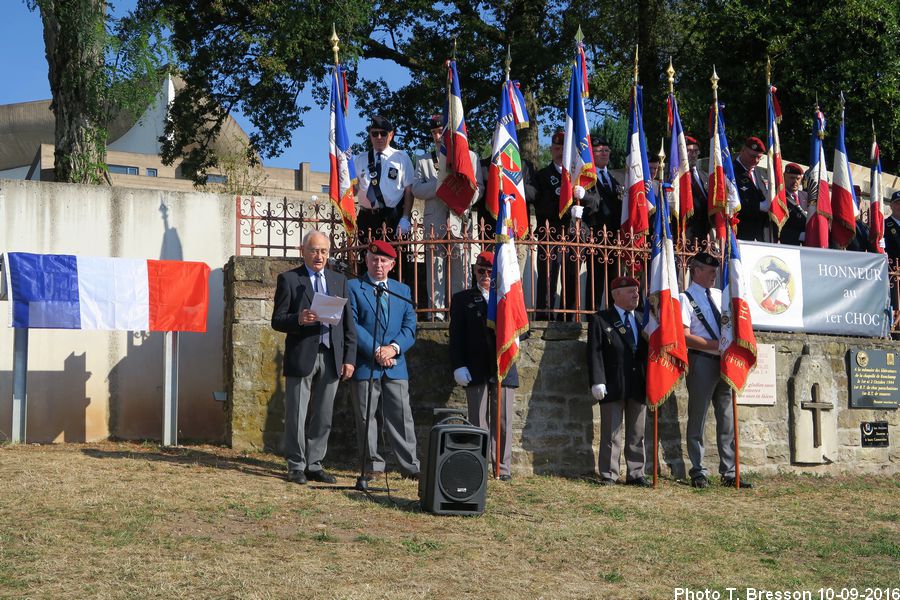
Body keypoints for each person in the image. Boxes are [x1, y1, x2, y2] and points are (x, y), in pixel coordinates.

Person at [271, 230, 357, 484]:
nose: (319, 256)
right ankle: (296, 465)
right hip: (303, 354)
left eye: (323, 251)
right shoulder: (289, 279)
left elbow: (349, 324)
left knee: (323, 413)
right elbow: (277, 319)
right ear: (303, 251)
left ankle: (315, 463)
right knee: (297, 413)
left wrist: (349, 358)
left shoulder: (338, 280)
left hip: (332, 355)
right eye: (314, 250)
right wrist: (299, 319)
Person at [347, 240, 420, 480]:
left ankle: (410, 466)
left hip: (395, 365)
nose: (378, 264)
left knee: (401, 416)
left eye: (384, 261)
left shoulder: (402, 290)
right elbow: (353, 324)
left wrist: (394, 348)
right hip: (367, 364)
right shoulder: (354, 287)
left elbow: (410, 327)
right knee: (366, 417)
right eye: (374, 259)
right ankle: (373, 465)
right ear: (366, 260)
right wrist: (377, 350)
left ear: (392, 264)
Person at [679, 252, 751, 489]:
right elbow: (685, 336)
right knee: (698, 417)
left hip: (725, 362)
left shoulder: (721, 295)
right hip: (701, 361)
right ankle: (698, 469)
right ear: (696, 270)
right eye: (710, 272)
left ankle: (729, 471)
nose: (714, 276)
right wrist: (713, 345)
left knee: (727, 417)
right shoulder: (685, 298)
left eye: (715, 271)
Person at [449, 252, 516, 480]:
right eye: (481, 271)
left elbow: (522, 325)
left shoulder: (509, 295)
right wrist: (458, 365)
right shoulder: (462, 299)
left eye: (490, 272)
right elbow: (456, 337)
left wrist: (516, 338)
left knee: (504, 420)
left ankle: (503, 467)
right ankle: (479, 465)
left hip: (503, 365)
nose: (485, 275)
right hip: (475, 367)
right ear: (474, 271)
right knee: (477, 420)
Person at [413, 114, 481, 321]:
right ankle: (437, 313)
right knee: (435, 269)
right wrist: (441, 186)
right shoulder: (424, 160)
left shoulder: (469, 157)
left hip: (459, 220)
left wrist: (460, 195)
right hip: (435, 222)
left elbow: (478, 189)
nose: (437, 136)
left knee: (461, 268)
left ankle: (462, 311)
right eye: (434, 132)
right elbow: (416, 189)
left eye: (440, 131)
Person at [586, 276, 650, 486]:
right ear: (616, 295)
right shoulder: (601, 319)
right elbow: (594, 352)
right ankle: (609, 474)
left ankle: (636, 473)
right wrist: (597, 380)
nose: (636, 295)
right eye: (631, 291)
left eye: (637, 291)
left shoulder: (643, 319)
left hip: (638, 382)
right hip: (612, 382)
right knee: (611, 432)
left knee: (637, 432)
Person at [355, 116, 415, 241]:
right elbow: (354, 188)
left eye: (383, 133)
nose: (379, 137)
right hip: (366, 216)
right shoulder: (361, 159)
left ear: (391, 135)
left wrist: (405, 218)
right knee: (366, 258)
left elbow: (409, 190)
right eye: (374, 133)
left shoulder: (401, 157)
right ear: (370, 135)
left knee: (394, 258)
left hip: (392, 216)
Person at [532, 130, 569, 319]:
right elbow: (541, 204)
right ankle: (543, 317)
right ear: (551, 149)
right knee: (547, 279)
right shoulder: (542, 175)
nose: (559, 151)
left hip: (571, 235)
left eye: (563, 147)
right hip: (550, 234)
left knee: (570, 280)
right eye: (556, 148)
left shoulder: (575, 174)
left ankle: (568, 318)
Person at [732, 137, 770, 242]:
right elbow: (731, 202)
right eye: (752, 156)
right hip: (741, 232)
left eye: (759, 157)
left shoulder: (759, 172)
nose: (756, 161)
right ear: (743, 150)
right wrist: (758, 206)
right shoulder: (731, 172)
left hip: (760, 233)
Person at [684, 135, 710, 244]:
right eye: (689, 151)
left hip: (704, 234)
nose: (693, 155)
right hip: (686, 234)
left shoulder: (704, 176)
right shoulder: (676, 177)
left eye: (696, 151)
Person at [779, 163, 808, 246]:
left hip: (807, 245)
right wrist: (799, 236)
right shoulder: (779, 197)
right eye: (792, 178)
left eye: (798, 178)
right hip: (787, 244)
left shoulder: (806, 196)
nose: (795, 181)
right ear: (784, 177)